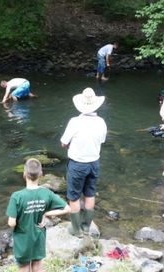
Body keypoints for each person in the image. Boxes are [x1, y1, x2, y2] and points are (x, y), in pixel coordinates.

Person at [6, 158, 71, 272]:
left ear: (24, 173)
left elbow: (11, 223)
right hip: (38, 237)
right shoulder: (46, 193)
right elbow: (67, 208)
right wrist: (46, 213)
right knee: (37, 266)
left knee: (24, 267)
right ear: (41, 174)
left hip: (23, 240)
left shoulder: (17, 196)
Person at [60, 88, 107, 236]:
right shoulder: (101, 122)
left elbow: (63, 142)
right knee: (90, 194)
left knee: (73, 196)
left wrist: (70, 144)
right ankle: (87, 227)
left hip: (78, 163)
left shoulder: (75, 122)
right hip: (94, 163)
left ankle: (76, 229)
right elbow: (102, 140)